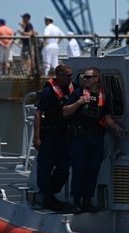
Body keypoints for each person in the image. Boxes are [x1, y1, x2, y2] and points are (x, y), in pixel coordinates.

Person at [64, 66, 124, 214]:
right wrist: (79, 102)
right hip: (79, 138)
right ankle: (76, 202)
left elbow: (108, 119)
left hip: (96, 138)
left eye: (88, 77)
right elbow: (65, 113)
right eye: (84, 77)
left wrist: (116, 127)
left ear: (97, 78)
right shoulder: (77, 94)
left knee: (93, 170)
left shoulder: (104, 96)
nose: (85, 79)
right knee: (79, 169)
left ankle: (87, 201)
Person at [33, 63, 74, 211]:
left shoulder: (72, 88)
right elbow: (38, 114)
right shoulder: (48, 91)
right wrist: (37, 137)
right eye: (68, 76)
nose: (71, 78)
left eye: (71, 75)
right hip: (50, 134)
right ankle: (46, 195)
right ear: (59, 76)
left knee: (63, 167)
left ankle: (51, 192)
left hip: (64, 135)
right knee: (45, 165)